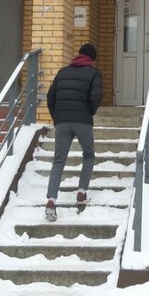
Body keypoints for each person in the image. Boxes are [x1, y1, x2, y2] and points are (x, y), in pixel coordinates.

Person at [44, 42, 103, 221]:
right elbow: (95, 97)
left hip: (62, 122)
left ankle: (51, 202)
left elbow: (50, 96)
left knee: (58, 160)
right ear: (92, 59)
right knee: (89, 155)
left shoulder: (63, 72)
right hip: (83, 121)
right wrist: (89, 112)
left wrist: (57, 117)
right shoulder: (94, 73)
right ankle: (82, 192)